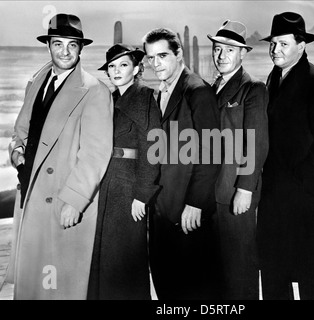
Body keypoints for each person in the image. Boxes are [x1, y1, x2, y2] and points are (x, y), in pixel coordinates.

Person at [4, 13, 113, 299]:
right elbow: (21, 131)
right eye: (58, 44)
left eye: (72, 45)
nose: (65, 51)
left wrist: (75, 200)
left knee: (57, 286)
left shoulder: (94, 91)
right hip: (30, 192)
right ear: (48, 46)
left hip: (62, 200)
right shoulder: (38, 80)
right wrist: (17, 155)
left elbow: (95, 153)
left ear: (81, 48)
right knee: (31, 284)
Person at [257, 12, 314, 300]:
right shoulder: (273, 77)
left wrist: (297, 179)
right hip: (275, 199)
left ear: (301, 46)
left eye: (283, 44)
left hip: (309, 201)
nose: (275, 50)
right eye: (273, 44)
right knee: (274, 275)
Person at [143, 28, 221, 300]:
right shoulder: (159, 93)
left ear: (178, 53)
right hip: (162, 211)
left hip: (188, 212)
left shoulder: (198, 91)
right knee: (167, 289)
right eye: (151, 58)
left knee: (193, 292)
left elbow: (212, 153)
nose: (156, 64)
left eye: (162, 56)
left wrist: (196, 203)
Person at [87, 44, 161, 300]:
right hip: (107, 185)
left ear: (137, 68)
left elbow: (153, 148)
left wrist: (142, 195)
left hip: (130, 189)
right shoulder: (110, 98)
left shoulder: (144, 97)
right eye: (112, 66)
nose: (116, 71)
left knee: (125, 260)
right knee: (104, 258)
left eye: (123, 65)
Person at [207, 20, 268, 299]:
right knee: (217, 269)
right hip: (209, 194)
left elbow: (256, 143)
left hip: (234, 192)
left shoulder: (252, 89)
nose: (221, 56)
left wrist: (245, 189)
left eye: (229, 50)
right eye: (217, 49)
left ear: (242, 53)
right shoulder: (210, 89)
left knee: (240, 267)